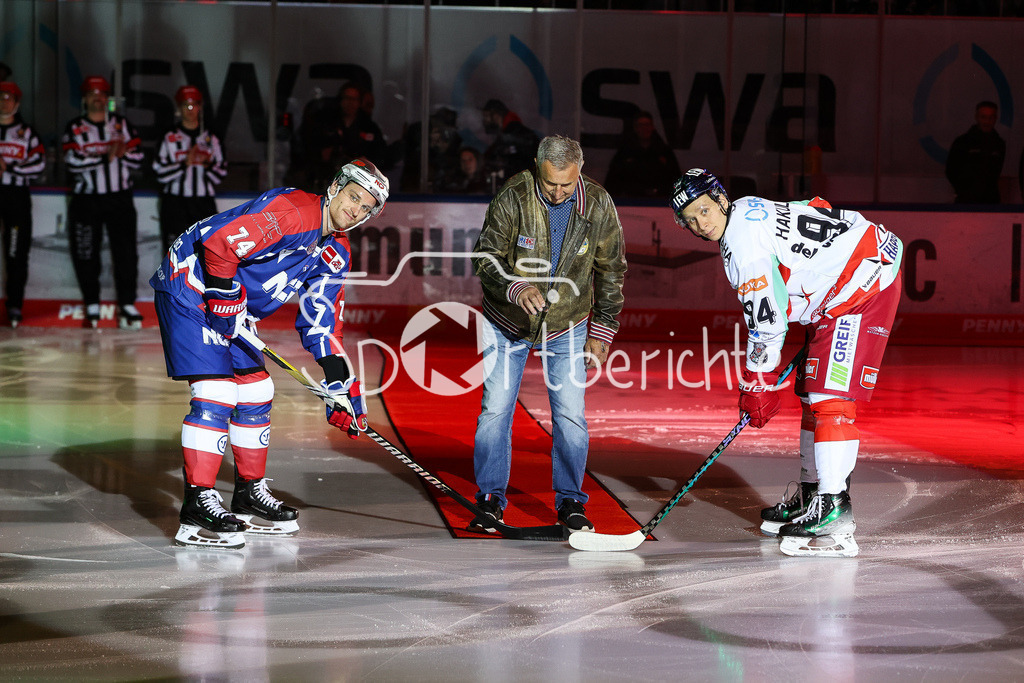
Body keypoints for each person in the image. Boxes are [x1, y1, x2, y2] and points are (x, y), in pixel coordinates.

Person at [150, 158, 389, 549]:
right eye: (353, 197)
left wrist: (339, 384)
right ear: (335, 187)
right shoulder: (294, 213)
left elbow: (322, 322)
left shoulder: (336, 251)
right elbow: (221, 242)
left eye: (366, 208)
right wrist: (224, 294)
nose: (355, 210)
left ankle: (247, 492)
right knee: (218, 393)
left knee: (257, 390)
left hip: (231, 303)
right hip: (190, 285)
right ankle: (197, 501)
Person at [671, 168, 903, 558]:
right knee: (812, 395)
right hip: (851, 277)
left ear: (720, 199)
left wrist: (756, 382)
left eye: (705, 210)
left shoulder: (742, 249)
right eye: (690, 219)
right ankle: (813, 494)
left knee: (830, 399)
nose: (701, 224)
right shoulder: (746, 208)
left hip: (863, 286)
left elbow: (767, 321)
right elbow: (815, 207)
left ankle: (833, 508)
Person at [471, 135, 627, 533]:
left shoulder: (598, 203)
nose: (558, 193)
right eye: (550, 183)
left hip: (569, 324)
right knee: (495, 410)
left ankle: (571, 501)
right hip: (507, 323)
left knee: (571, 415)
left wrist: (604, 328)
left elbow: (611, 269)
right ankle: (490, 497)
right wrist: (515, 287)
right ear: (538, 167)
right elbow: (486, 257)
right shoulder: (513, 196)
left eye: (566, 184)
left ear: (580, 171)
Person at [61, 75, 145, 329]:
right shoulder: (75, 127)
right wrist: (106, 157)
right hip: (86, 200)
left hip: (119, 198)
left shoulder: (122, 124)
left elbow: (139, 157)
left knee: (126, 252)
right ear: (85, 99)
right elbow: (72, 161)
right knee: (86, 251)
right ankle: (92, 304)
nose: (97, 98)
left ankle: (127, 303)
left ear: (107, 99)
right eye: (92, 93)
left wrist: (118, 154)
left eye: (101, 94)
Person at [152, 85, 227, 253]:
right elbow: (159, 173)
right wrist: (185, 163)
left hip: (203, 203)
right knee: (173, 252)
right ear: (179, 108)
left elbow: (221, 174)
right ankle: (172, 280)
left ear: (200, 107)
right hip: (175, 202)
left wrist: (207, 165)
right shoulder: (168, 137)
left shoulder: (212, 138)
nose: (190, 109)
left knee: (207, 251)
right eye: (186, 105)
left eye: (194, 105)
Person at [0, 81, 45, 327]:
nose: (4, 101)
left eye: (9, 97)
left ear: (17, 103)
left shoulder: (26, 133)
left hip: (16, 197)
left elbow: (39, 163)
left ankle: (14, 307)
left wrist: (10, 167)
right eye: (1, 96)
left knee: (16, 253)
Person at [300, 82, 389, 192]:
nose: (350, 103)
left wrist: (366, 162)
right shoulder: (327, 123)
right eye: (347, 98)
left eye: (354, 99)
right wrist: (323, 154)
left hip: (358, 182)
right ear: (340, 100)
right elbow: (309, 147)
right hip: (326, 179)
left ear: (359, 102)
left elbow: (380, 155)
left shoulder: (369, 127)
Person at [604, 110, 681, 199]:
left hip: (661, 201)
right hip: (631, 201)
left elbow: (676, 179)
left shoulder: (664, 152)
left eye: (647, 125)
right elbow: (612, 181)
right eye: (640, 125)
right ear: (635, 128)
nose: (644, 128)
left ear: (653, 127)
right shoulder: (624, 153)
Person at [945, 100, 1005, 204]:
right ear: (977, 117)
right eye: (983, 117)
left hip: (991, 200)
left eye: (991, 117)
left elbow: (996, 172)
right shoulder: (963, 142)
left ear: (995, 119)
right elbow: (951, 170)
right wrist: (963, 191)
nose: (987, 121)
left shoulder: (999, 144)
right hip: (967, 200)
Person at [480, 99, 540, 192]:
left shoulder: (513, 135)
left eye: (487, 116)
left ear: (496, 115)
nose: (485, 121)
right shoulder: (511, 133)